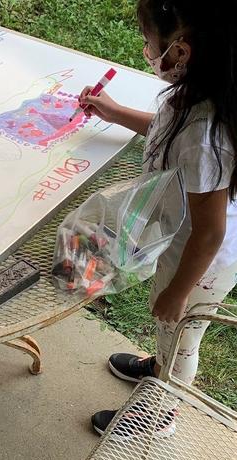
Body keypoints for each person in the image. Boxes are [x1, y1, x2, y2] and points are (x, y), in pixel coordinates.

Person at [79, 0, 237, 436]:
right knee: (168, 324)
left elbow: (211, 231)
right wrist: (114, 113)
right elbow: (167, 131)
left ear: (181, 52)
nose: (147, 52)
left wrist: (179, 291)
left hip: (203, 260)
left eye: (150, 44)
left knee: (180, 329)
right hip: (185, 243)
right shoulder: (197, 94)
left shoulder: (205, 135)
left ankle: (160, 412)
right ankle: (158, 365)